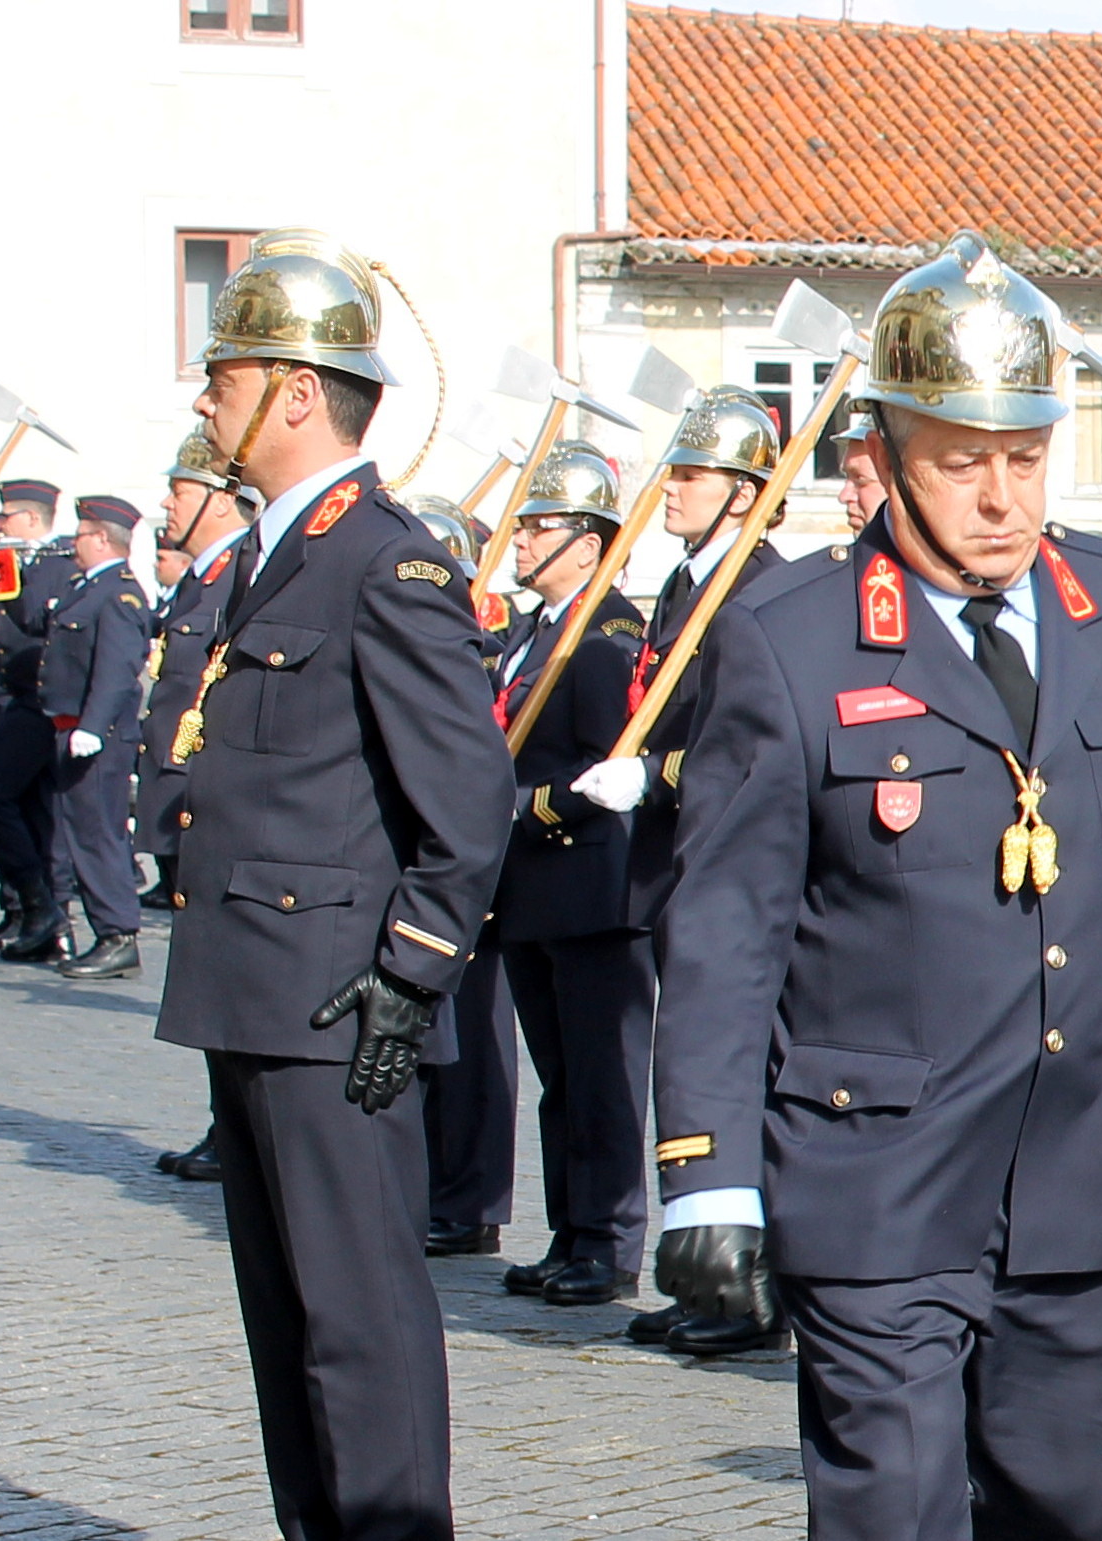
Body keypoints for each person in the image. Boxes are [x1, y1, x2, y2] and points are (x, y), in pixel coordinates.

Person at [645, 235, 1102, 1538]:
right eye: (964, 461)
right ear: (882, 460)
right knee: (892, 1505)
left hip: (1083, 1172)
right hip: (876, 1168)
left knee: (1070, 1496)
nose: (1002, 497)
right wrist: (707, 1173)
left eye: (1026, 456)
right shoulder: (789, 640)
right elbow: (727, 928)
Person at [159, 227, 516, 1541]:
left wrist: (409, 976)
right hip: (254, 990)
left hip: (339, 1005)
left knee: (359, 1327)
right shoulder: (272, 550)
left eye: (225, 373)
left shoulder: (387, 558)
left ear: (297, 392)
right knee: (291, 1330)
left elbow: (467, 798)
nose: (205, 399)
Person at [591, 386, 795, 1354]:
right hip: (674, 852)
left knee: (735, 1076)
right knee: (692, 1075)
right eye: (673, 468)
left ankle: (754, 1292)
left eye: (693, 473)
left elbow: (747, 751)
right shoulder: (687, 582)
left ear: (748, 492)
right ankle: (706, 1271)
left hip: (726, 859)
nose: (670, 488)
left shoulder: (757, 587)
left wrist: (656, 772)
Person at [473, 447, 661, 1313]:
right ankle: (569, 1230)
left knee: (602, 1078)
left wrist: (524, 807)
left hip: (588, 885)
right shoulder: (530, 631)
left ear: (587, 546)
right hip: (533, 892)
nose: (522, 540)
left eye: (540, 527)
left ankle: (613, 1241)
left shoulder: (608, 630)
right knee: (559, 1079)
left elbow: (607, 765)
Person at [409, 499, 522, 1262]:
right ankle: (437, 1187)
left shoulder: (477, 650)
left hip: (481, 870)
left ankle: (470, 1197)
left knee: (475, 1049)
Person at [141, 427, 248, 1175]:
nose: (167, 502)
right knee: (210, 980)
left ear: (215, 499)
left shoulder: (236, 574)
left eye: (179, 489)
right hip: (184, 799)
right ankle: (225, 1125)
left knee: (229, 981)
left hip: (210, 804)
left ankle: (236, 1131)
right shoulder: (199, 579)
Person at [41, 496, 153, 980]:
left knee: (98, 835)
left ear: (103, 538)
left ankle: (118, 934)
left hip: (99, 736)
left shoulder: (119, 594)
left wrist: (93, 726)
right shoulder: (85, 587)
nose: (74, 544)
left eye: (81, 535)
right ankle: (108, 930)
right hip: (71, 729)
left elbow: (118, 668)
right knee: (81, 833)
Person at [0, 478, 78, 961]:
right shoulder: (29, 561)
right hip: (14, 692)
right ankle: (27, 912)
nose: (1, 525)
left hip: (40, 701)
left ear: (31, 520)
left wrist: (3, 571)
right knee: (28, 811)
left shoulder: (56, 564)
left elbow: (34, 617)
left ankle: (44, 909)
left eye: (9, 516)